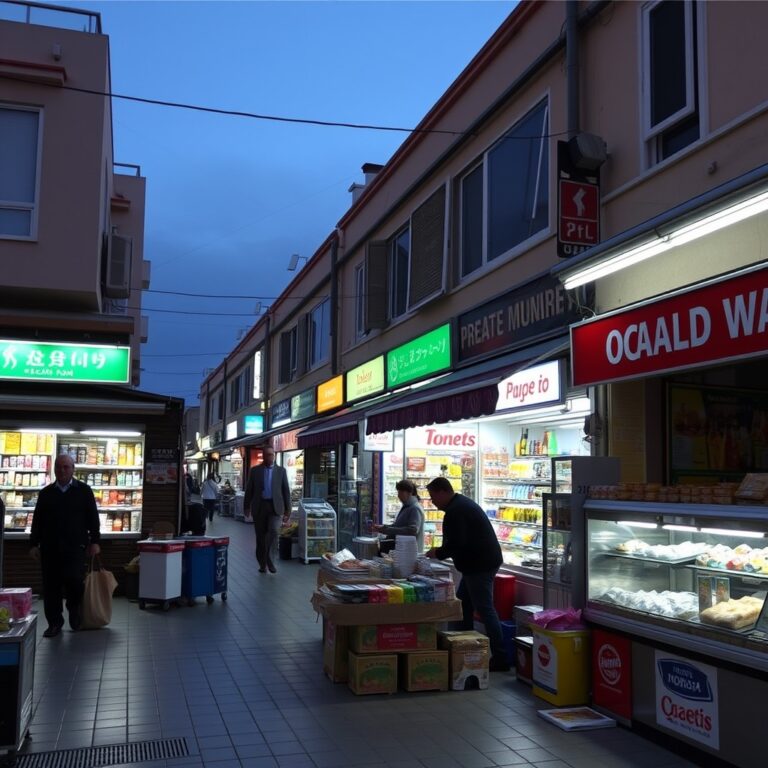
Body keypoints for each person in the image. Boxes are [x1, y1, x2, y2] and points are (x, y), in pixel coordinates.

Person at [424, 476, 510, 671]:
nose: (433, 502)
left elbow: (457, 543)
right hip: (477, 564)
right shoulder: (459, 506)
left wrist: (438, 553)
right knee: (463, 605)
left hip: (479, 565)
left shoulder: (456, 511)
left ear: (442, 492)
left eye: (433, 497)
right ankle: (462, 649)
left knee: (485, 609)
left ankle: (500, 657)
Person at [29, 453, 101, 637]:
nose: (62, 470)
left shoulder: (84, 491)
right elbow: (37, 521)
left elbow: (93, 518)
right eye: (58, 467)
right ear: (54, 469)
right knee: (51, 586)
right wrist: (33, 544)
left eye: (66, 467)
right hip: (50, 548)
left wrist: (95, 541)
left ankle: (74, 611)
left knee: (75, 582)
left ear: (73, 469)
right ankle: (54, 622)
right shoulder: (46, 493)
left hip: (75, 547)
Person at [243, 445, 291, 574]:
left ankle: (270, 560)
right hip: (260, 506)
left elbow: (286, 491)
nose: (271, 457)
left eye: (272, 455)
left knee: (274, 531)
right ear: (263, 456)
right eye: (268, 455)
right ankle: (262, 563)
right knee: (260, 537)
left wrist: (288, 510)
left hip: (276, 507)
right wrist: (246, 506)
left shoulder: (281, 471)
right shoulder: (255, 471)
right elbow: (249, 490)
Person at [372, 479, 424, 553]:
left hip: (408, 553)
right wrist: (383, 528)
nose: (399, 496)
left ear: (409, 493)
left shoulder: (414, 508)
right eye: (398, 492)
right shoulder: (407, 507)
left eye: (401, 492)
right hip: (402, 551)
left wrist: (387, 530)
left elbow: (413, 530)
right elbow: (398, 526)